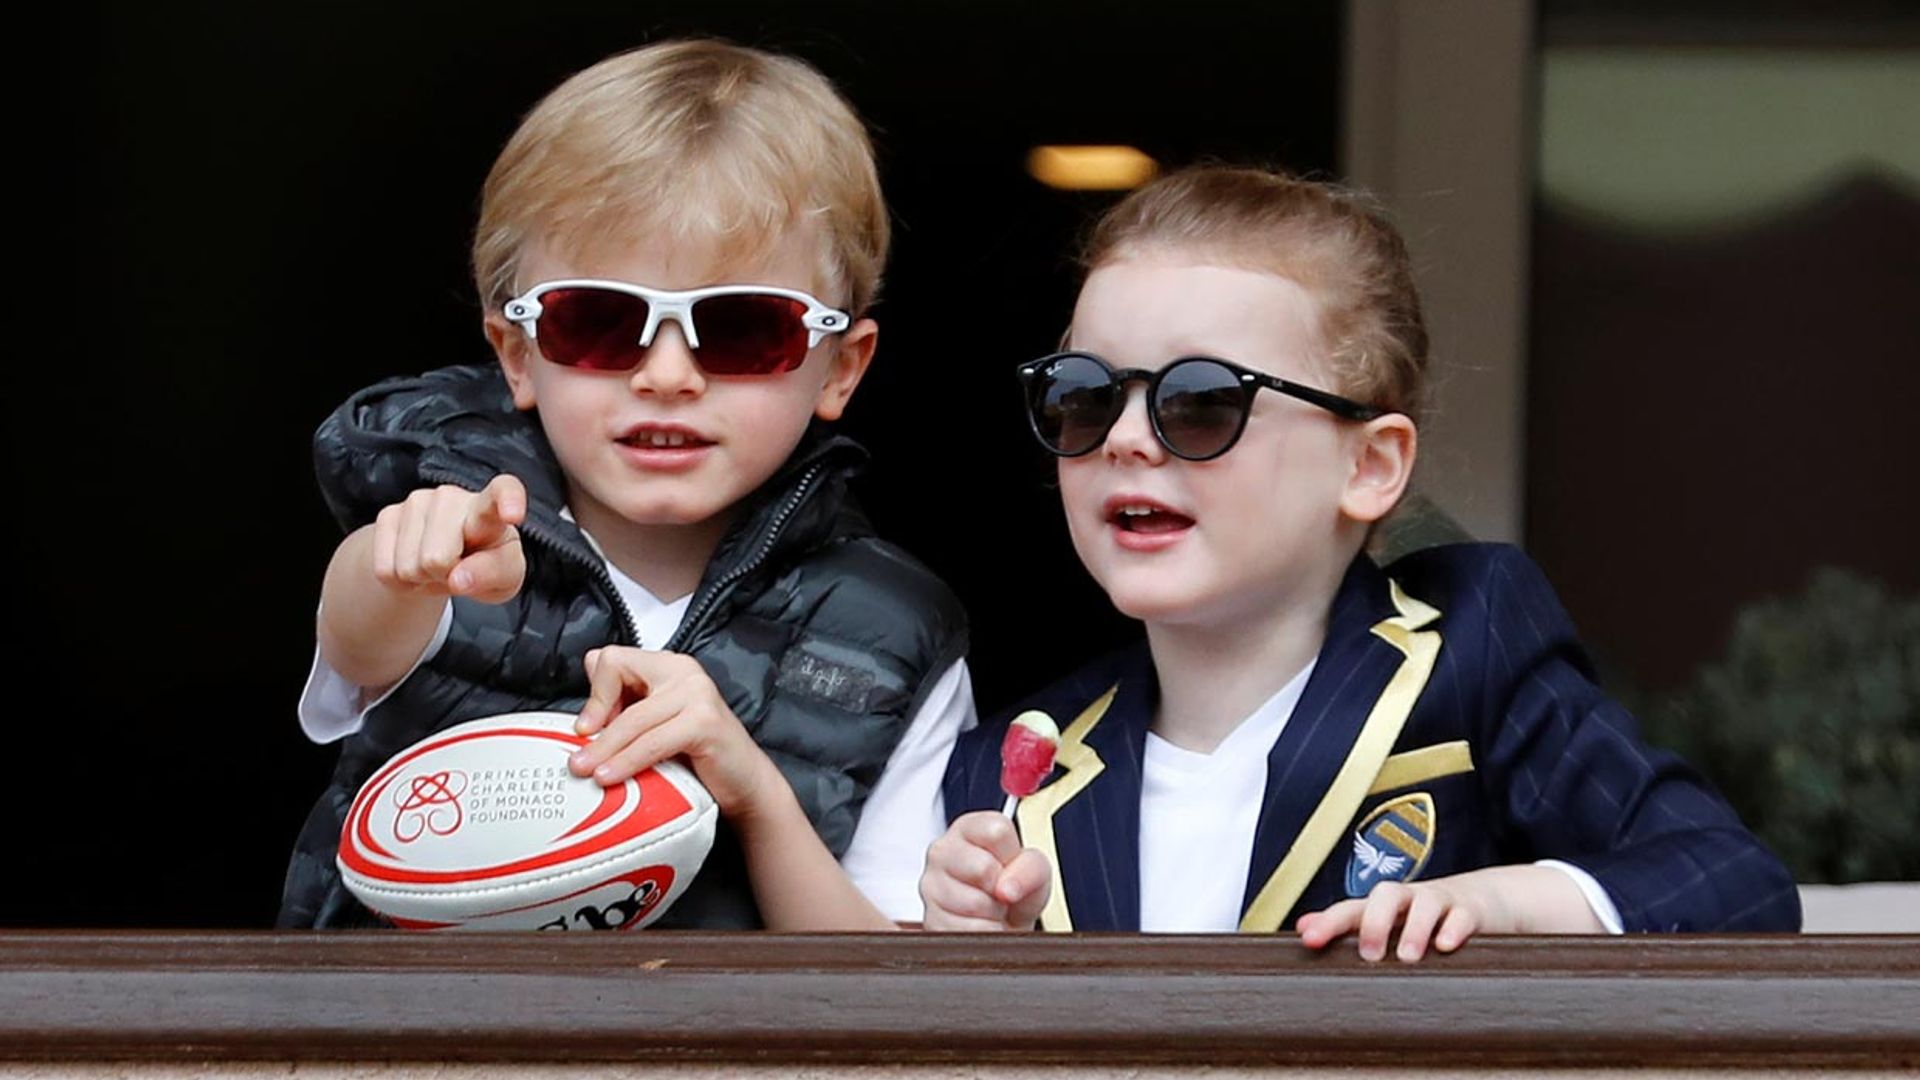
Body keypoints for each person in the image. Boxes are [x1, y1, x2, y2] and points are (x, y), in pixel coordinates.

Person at [924, 165, 1800, 957]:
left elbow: (1733, 882)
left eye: (1198, 403)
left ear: (1369, 466)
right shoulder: (1008, 763)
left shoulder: (1474, 658)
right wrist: (982, 946)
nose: (1122, 439)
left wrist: (1507, 901)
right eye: (1083, 396)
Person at [279, 39, 968, 931]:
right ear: (518, 355)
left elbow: (889, 991)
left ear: (839, 367)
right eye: (600, 322)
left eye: (743, 328)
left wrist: (754, 793)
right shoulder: (462, 534)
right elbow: (362, 648)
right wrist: (397, 562)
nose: (668, 375)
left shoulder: (893, 631)